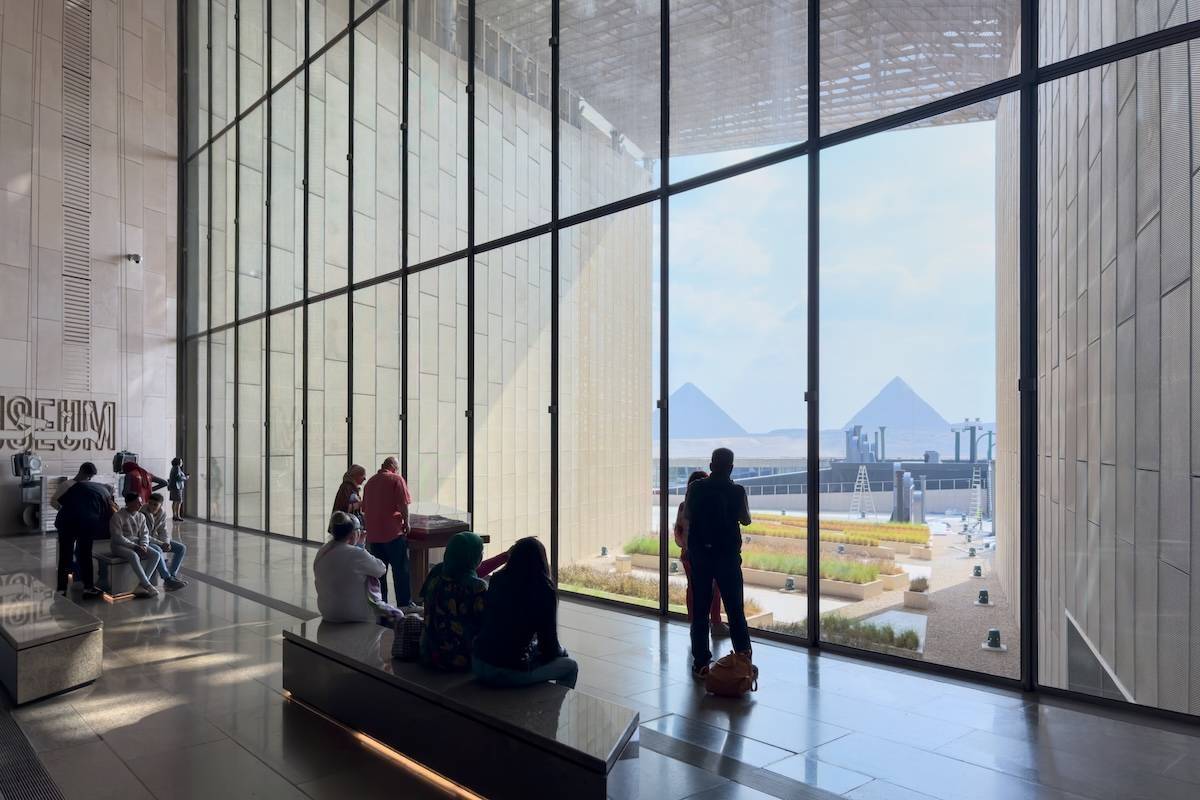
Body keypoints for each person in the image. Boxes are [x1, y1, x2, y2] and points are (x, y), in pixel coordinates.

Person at [683, 447, 753, 679]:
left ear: (711, 465)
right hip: (728, 557)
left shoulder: (695, 489)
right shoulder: (737, 491)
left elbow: (689, 516)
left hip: (701, 556)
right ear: (731, 468)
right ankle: (743, 660)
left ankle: (701, 662)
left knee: (700, 611)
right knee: (735, 611)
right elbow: (746, 520)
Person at [472, 537, 577, 689]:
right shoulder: (544, 590)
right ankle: (556, 709)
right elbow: (549, 647)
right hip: (506, 671)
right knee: (569, 666)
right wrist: (562, 652)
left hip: (478, 662)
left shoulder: (497, 580)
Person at [419, 532, 513, 671]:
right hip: (461, 659)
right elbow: (490, 623)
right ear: (474, 557)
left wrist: (504, 556)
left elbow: (468, 574)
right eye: (480, 553)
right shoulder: (477, 588)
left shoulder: (437, 574)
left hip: (430, 654)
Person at [361, 457, 419, 611]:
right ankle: (404, 603)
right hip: (392, 533)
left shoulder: (370, 483)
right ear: (394, 467)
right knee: (401, 569)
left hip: (374, 535)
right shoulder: (396, 479)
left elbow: (364, 509)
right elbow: (402, 504)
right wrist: (406, 522)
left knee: (380, 571)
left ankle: (382, 603)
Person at [314, 511, 388, 623]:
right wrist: (361, 547)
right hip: (355, 616)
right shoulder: (357, 554)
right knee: (391, 615)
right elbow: (381, 569)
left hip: (328, 613)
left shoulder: (322, 551)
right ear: (354, 535)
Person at [52, 462, 112, 598]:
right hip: (75, 525)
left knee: (74, 555)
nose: (89, 479)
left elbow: (56, 501)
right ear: (82, 472)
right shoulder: (68, 485)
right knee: (74, 555)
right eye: (88, 476)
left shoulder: (85, 486)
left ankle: (68, 588)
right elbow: (54, 501)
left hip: (73, 524)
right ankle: (81, 587)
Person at [674, 470, 724, 630]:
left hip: (688, 554)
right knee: (714, 589)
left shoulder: (683, 506)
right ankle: (715, 623)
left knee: (693, 588)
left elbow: (678, 531)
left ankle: (695, 622)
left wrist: (686, 546)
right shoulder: (709, 505)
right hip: (707, 554)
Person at [109, 493, 168, 598]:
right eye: (138, 502)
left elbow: (145, 534)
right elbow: (118, 537)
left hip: (137, 544)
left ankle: (141, 585)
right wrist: (134, 546)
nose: (141, 505)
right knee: (133, 555)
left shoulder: (141, 516)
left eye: (141, 502)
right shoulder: (117, 516)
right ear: (129, 503)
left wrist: (144, 545)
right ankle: (147, 585)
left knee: (156, 554)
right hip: (119, 546)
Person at [142, 492, 188, 588]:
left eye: (155, 505)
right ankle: (167, 579)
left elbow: (163, 531)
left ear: (160, 505)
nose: (152, 506)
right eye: (150, 503)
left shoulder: (162, 513)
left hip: (156, 539)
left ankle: (172, 575)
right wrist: (160, 544)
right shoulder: (142, 513)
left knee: (181, 548)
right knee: (157, 550)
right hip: (145, 541)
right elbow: (144, 535)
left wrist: (166, 543)